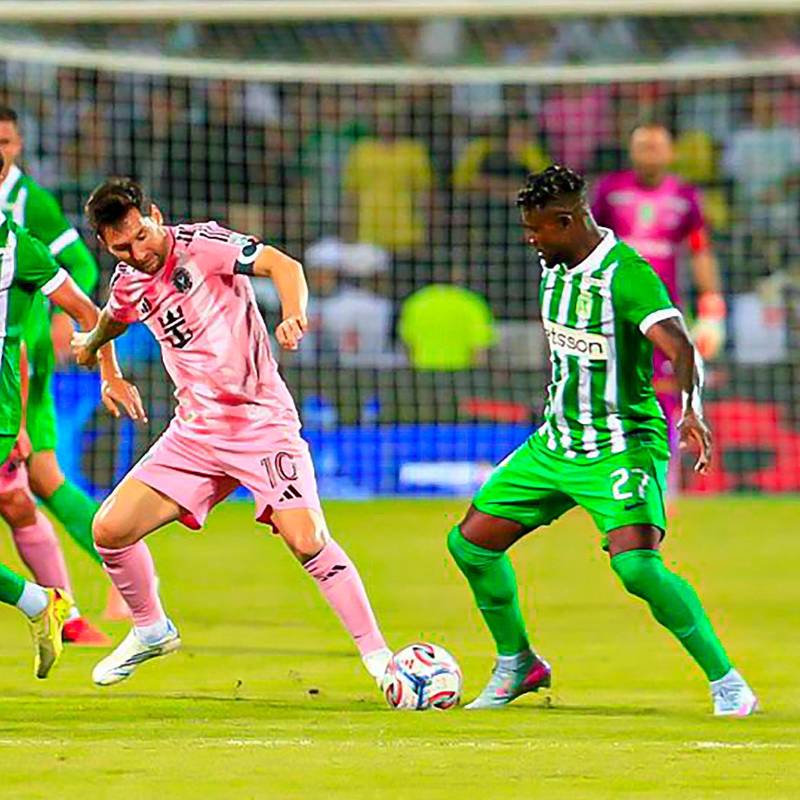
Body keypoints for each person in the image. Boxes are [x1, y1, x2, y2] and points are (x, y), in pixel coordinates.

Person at [446, 165, 757, 716]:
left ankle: (728, 682)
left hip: (620, 444)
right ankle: (519, 663)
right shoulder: (555, 267)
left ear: (567, 221)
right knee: (470, 544)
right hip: (554, 445)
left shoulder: (626, 275)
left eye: (538, 228)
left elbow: (680, 347)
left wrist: (690, 410)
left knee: (636, 567)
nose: (530, 238)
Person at [72, 178, 392, 689]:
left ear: (152, 214)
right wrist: (99, 357)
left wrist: (293, 315)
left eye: (141, 235)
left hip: (260, 424)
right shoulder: (128, 278)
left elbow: (284, 266)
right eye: (122, 248)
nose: (138, 252)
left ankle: (381, 661)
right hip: (195, 433)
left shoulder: (204, 244)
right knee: (109, 530)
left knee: (307, 540)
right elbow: (113, 318)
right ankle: (151, 629)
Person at [0, 153, 144, 677]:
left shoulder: (22, 234)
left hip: (9, 387)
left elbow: (85, 297)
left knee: (34, 482)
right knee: (25, 493)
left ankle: (79, 586)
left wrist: (102, 366)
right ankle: (50, 604)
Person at [592, 122, 726, 486]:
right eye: (642, 146)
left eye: (656, 146)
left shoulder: (686, 196)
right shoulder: (609, 191)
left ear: (671, 153)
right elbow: (589, 247)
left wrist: (712, 304)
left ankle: (663, 481)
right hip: (613, 310)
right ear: (631, 151)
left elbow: (700, 250)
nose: (649, 153)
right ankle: (608, 477)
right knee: (611, 390)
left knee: (668, 391)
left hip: (664, 312)